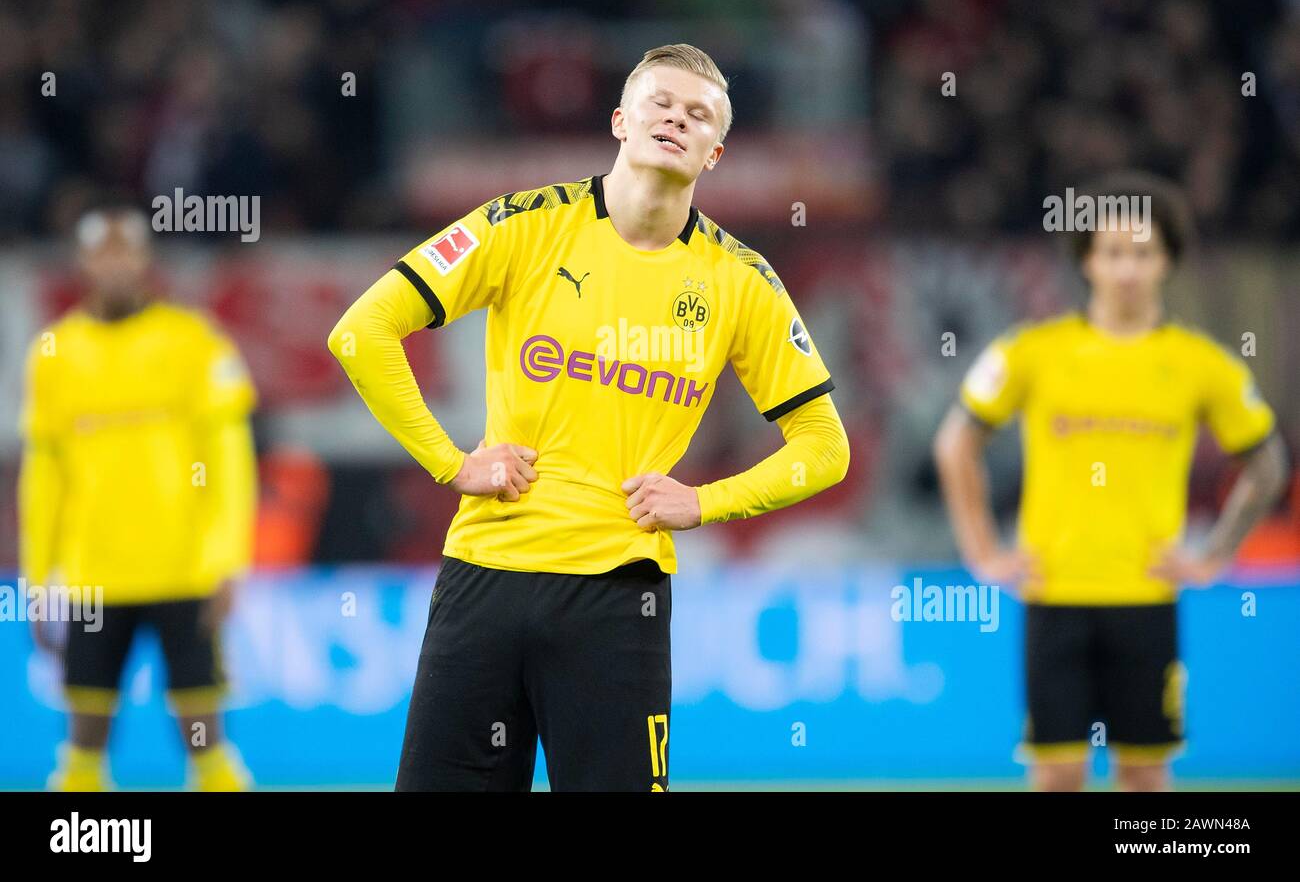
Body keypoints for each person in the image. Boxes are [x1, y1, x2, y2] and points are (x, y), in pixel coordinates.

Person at [329, 44, 851, 791]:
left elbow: (825, 446)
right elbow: (361, 332)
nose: (677, 118)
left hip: (618, 595)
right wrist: (452, 462)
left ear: (716, 152)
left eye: (698, 114)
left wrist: (706, 502)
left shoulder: (742, 282)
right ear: (619, 120)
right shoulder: (524, 225)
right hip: (486, 579)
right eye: (659, 103)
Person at [933, 172, 1290, 791]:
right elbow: (955, 442)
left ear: (1167, 262)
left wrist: (1214, 555)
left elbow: (1267, 465)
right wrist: (983, 550)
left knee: (1146, 773)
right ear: (1088, 262)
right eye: (1113, 253)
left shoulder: (1202, 365)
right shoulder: (1032, 352)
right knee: (1058, 772)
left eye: (1143, 253)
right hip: (1055, 593)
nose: (1128, 269)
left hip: (1146, 595)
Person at [19, 205, 259, 791]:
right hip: (93, 572)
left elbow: (230, 459)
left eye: (127, 251)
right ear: (83, 264)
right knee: (81, 749)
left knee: (206, 742)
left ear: (146, 260)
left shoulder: (193, 341)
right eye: (104, 253)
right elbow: (44, 473)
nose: (117, 265)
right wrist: (36, 574)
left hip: (185, 567)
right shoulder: (55, 352)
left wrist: (227, 558)